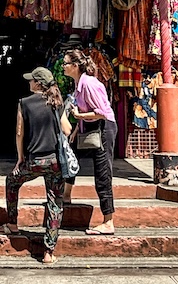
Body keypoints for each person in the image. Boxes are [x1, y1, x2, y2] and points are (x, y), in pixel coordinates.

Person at [0, 66, 65, 266]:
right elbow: (67, 129)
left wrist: (20, 158)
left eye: (31, 80)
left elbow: (19, 132)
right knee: (55, 204)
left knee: (12, 181)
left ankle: (12, 223)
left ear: (37, 84)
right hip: (54, 162)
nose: (28, 83)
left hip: (34, 160)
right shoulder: (57, 102)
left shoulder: (24, 103)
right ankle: (49, 252)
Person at [62, 48, 117, 234]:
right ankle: (66, 195)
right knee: (71, 157)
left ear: (75, 66)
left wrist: (78, 115)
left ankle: (108, 221)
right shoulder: (79, 84)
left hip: (103, 128)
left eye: (65, 63)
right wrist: (77, 128)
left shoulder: (90, 84)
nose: (63, 67)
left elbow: (101, 112)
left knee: (102, 172)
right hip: (87, 127)